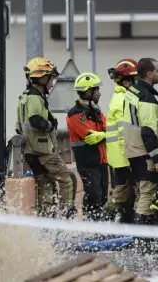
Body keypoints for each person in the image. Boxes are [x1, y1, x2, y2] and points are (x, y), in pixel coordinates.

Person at [16, 57, 77, 219]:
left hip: (31, 151)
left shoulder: (24, 97)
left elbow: (19, 126)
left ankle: (46, 220)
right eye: (51, 79)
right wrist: (50, 125)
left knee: (46, 185)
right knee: (67, 179)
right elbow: (35, 119)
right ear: (42, 78)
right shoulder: (35, 98)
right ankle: (67, 215)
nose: (52, 83)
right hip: (42, 151)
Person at [120, 58, 158, 226]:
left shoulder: (132, 91)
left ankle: (142, 239)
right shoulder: (146, 97)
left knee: (142, 192)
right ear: (149, 74)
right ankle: (143, 241)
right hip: (144, 151)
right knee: (148, 192)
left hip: (133, 150)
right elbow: (148, 131)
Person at [66, 72, 109, 221]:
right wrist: (104, 134)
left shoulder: (96, 111)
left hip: (101, 160)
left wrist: (103, 134)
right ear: (88, 91)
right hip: (88, 162)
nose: (100, 93)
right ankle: (91, 226)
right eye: (96, 90)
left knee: (103, 195)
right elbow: (89, 135)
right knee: (93, 195)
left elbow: (107, 128)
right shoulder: (75, 114)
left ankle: (99, 227)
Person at [104, 58, 139, 223]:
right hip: (123, 155)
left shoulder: (121, 96)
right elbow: (123, 131)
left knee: (127, 192)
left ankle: (123, 224)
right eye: (135, 79)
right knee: (121, 193)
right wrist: (130, 155)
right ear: (126, 81)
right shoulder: (124, 99)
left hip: (119, 154)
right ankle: (105, 224)